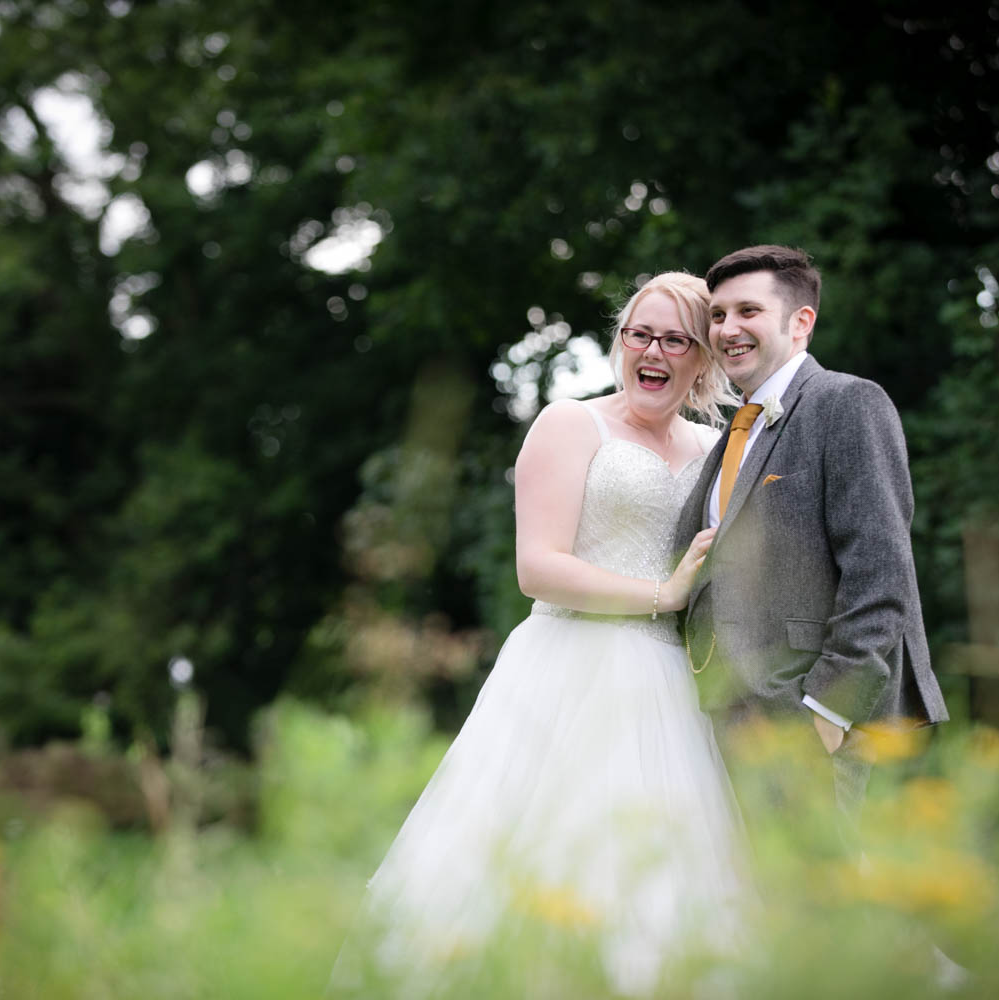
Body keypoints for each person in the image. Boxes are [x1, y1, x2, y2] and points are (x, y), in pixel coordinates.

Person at [331, 273, 750, 997]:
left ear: (703, 358)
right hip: (567, 666)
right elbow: (538, 568)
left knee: (659, 877)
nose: (652, 350)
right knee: (535, 855)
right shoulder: (570, 423)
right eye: (638, 333)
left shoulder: (719, 448)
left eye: (675, 339)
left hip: (670, 688)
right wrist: (664, 593)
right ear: (621, 341)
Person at [673, 245, 949, 820]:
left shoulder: (847, 402)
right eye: (718, 315)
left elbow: (880, 575)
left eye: (748, 311)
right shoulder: (733, 434)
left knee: (818, 894)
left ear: (800, 323)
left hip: (806, 717)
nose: (727, 329)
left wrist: (826, 712)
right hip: (726, 714)